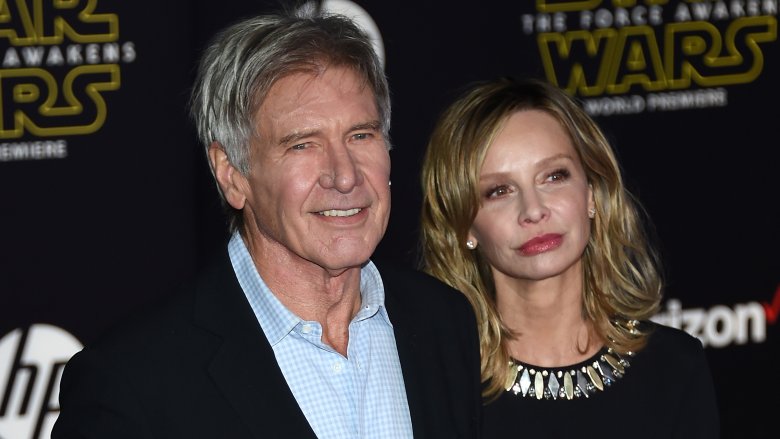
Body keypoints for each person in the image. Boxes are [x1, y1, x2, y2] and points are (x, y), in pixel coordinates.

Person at [52, 7, 482, 439]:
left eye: (361, 135)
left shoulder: (443, 324)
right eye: (302, 145)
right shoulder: (132, 383)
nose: (345, 175)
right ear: (232, 174)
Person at [419, 76, 720, 438]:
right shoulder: (437, 387)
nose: (533, 210)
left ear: (591, 194)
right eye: (499, 191)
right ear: (464, 224)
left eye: (554, 176)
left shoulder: (674, 367)